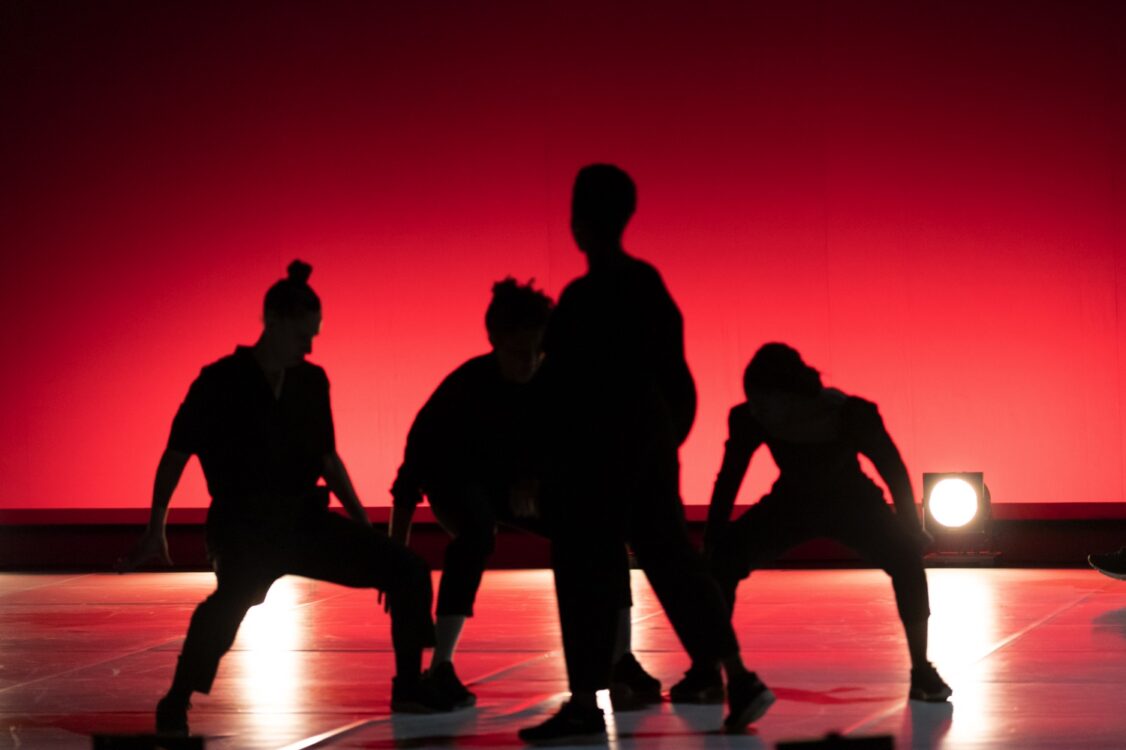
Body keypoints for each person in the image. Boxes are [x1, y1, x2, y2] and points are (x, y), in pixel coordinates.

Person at [117, 260, 452, 736]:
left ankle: (409, 685)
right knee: (230, 601)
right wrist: (156, 527)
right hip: (243, 525)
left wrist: (362, 525)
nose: (310, 345)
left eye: (314, 335)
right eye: (303, 334)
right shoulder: (219, 381)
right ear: (273, 322)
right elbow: (175, 455)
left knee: (408, 569)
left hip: (302, 520)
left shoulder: (311, 382)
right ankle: (176, 699)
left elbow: (327, 460)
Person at [518, 165, 774, 745]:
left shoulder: (581, 300)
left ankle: (585, 702)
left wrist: (544, 463)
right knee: (673, 565)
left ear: (579, 221)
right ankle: (739, 675)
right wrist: (663, 444)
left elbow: (556, 393)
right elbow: (678, 382)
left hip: (594, 462)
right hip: (648, 453)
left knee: (584, 572)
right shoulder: (648, 286)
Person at [388, 278, 661, 710]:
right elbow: (410, 476)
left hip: (521, 486)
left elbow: (577, 448)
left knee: (601, 527)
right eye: (520, 353)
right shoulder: (462, 389)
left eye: (539, 351)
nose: (530, 363)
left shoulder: (555, 381)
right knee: (476, 532)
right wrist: (395, 556)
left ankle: (621, 659)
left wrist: (544, 483)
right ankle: (440, 666)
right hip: (456, 480)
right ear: (495, 340)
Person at [689, 343, 951, 703]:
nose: (757, 408)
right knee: (723, 561)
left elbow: (893, 468)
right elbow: (729, 477)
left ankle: (922, 671)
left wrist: (910, 525)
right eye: (752, 400)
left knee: (906, 558)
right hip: (791, 503)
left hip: (854, 504)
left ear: (789, 396)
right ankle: (706, 671)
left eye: (763, 400)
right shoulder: (751, 418)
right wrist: (713, 537)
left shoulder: (850, 413)